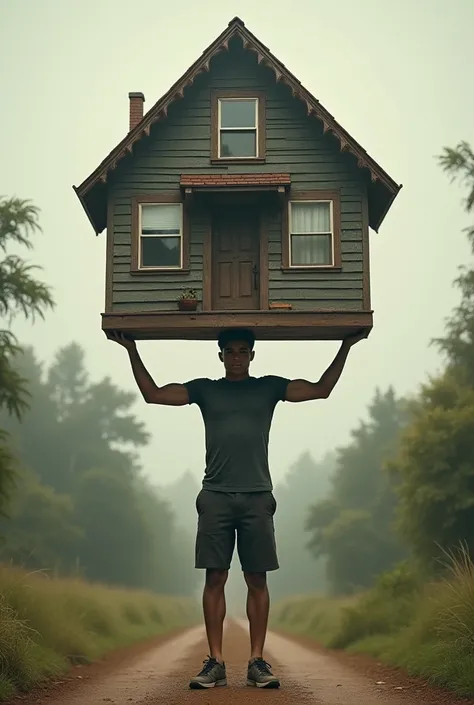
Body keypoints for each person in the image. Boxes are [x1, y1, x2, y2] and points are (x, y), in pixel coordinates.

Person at [110, 326, 367, 690]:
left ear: (251, 355)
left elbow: (320, 389)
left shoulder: (269, 387)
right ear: (220, 356)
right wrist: (131, 349)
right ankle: (215, 662)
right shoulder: (205, 389)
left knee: (256, 578)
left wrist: (346, 345)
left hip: (257, 496)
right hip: (215, 495)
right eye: (229, 351)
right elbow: (152, 395)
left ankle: (256, 661)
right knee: (215, 577)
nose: (235, 357)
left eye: (242, 351)